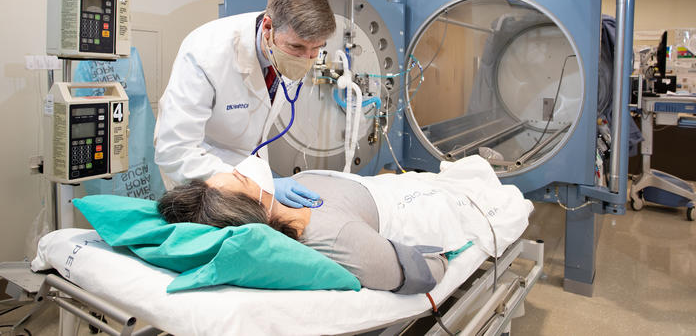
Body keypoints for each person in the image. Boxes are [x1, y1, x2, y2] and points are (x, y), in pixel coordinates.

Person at [158, 155, 533, 294]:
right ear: (252, 205)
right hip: (432, 204)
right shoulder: (338, 238)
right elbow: (424, 272)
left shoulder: (283, 197)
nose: (244, 170)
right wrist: (452, 253)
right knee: (486, 183)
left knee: (467, 168)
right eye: (241, 179)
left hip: (388, 186)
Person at [154, 0, 336, 208]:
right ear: (268, 28)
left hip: (249, 172)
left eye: (316, 49)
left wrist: (260, 182)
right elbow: (174, 151)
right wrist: (258, 184)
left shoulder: (283, 48)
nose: (305, 59)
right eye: (296, 48)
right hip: (200, 177)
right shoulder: (206, 52)